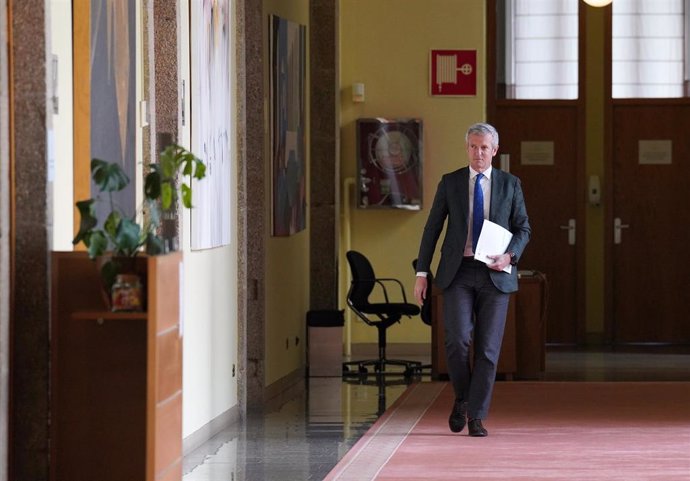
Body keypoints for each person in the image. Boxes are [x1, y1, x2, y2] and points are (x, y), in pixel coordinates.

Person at [414, 122, 530, 437]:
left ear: (495, 150)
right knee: (456, 340)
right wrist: (422, 273)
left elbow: (523, 228)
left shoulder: (510, 184)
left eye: (484, 147)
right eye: (473, 147)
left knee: (489, 349)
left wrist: (510, 256)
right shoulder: (450, 183)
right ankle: (464, 398)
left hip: (495, 273)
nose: (478, 153)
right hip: (458, 272)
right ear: (467, 148)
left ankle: (476, 416)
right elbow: (432, 229)